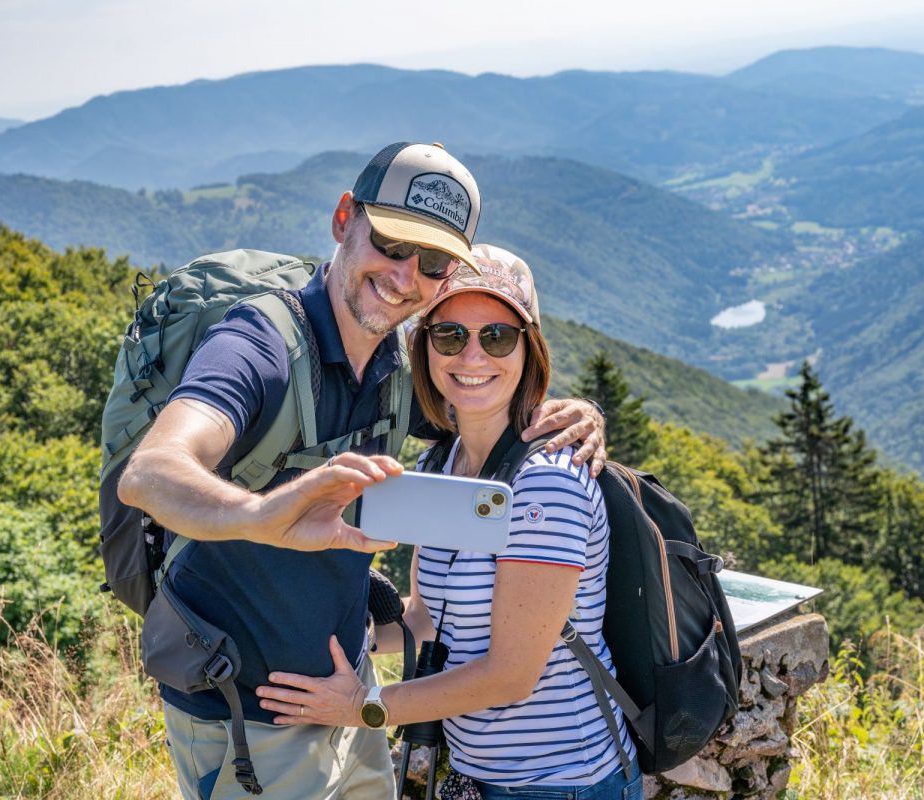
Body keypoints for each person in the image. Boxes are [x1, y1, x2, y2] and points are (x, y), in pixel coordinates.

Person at [117, 143, 609, 800]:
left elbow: (487, 397)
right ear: (344, 217)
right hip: (251, 723)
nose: (406, 275)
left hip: (349, 707)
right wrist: (259, 515)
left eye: (433, 262)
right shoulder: (258, 347)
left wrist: (578, 411)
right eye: (391, 244)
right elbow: (151, 472)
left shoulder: (392, 372)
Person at [256, 245, 644, 800]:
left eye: (498, 336)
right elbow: (426, 619)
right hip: (483, 778)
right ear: (426, 349)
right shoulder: (443, 462)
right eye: (450, 336)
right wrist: (320, 641)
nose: (472, 356)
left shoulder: (548, 483)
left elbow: (511, 674)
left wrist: (362, 708)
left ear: (528, 350)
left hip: (564, 780)